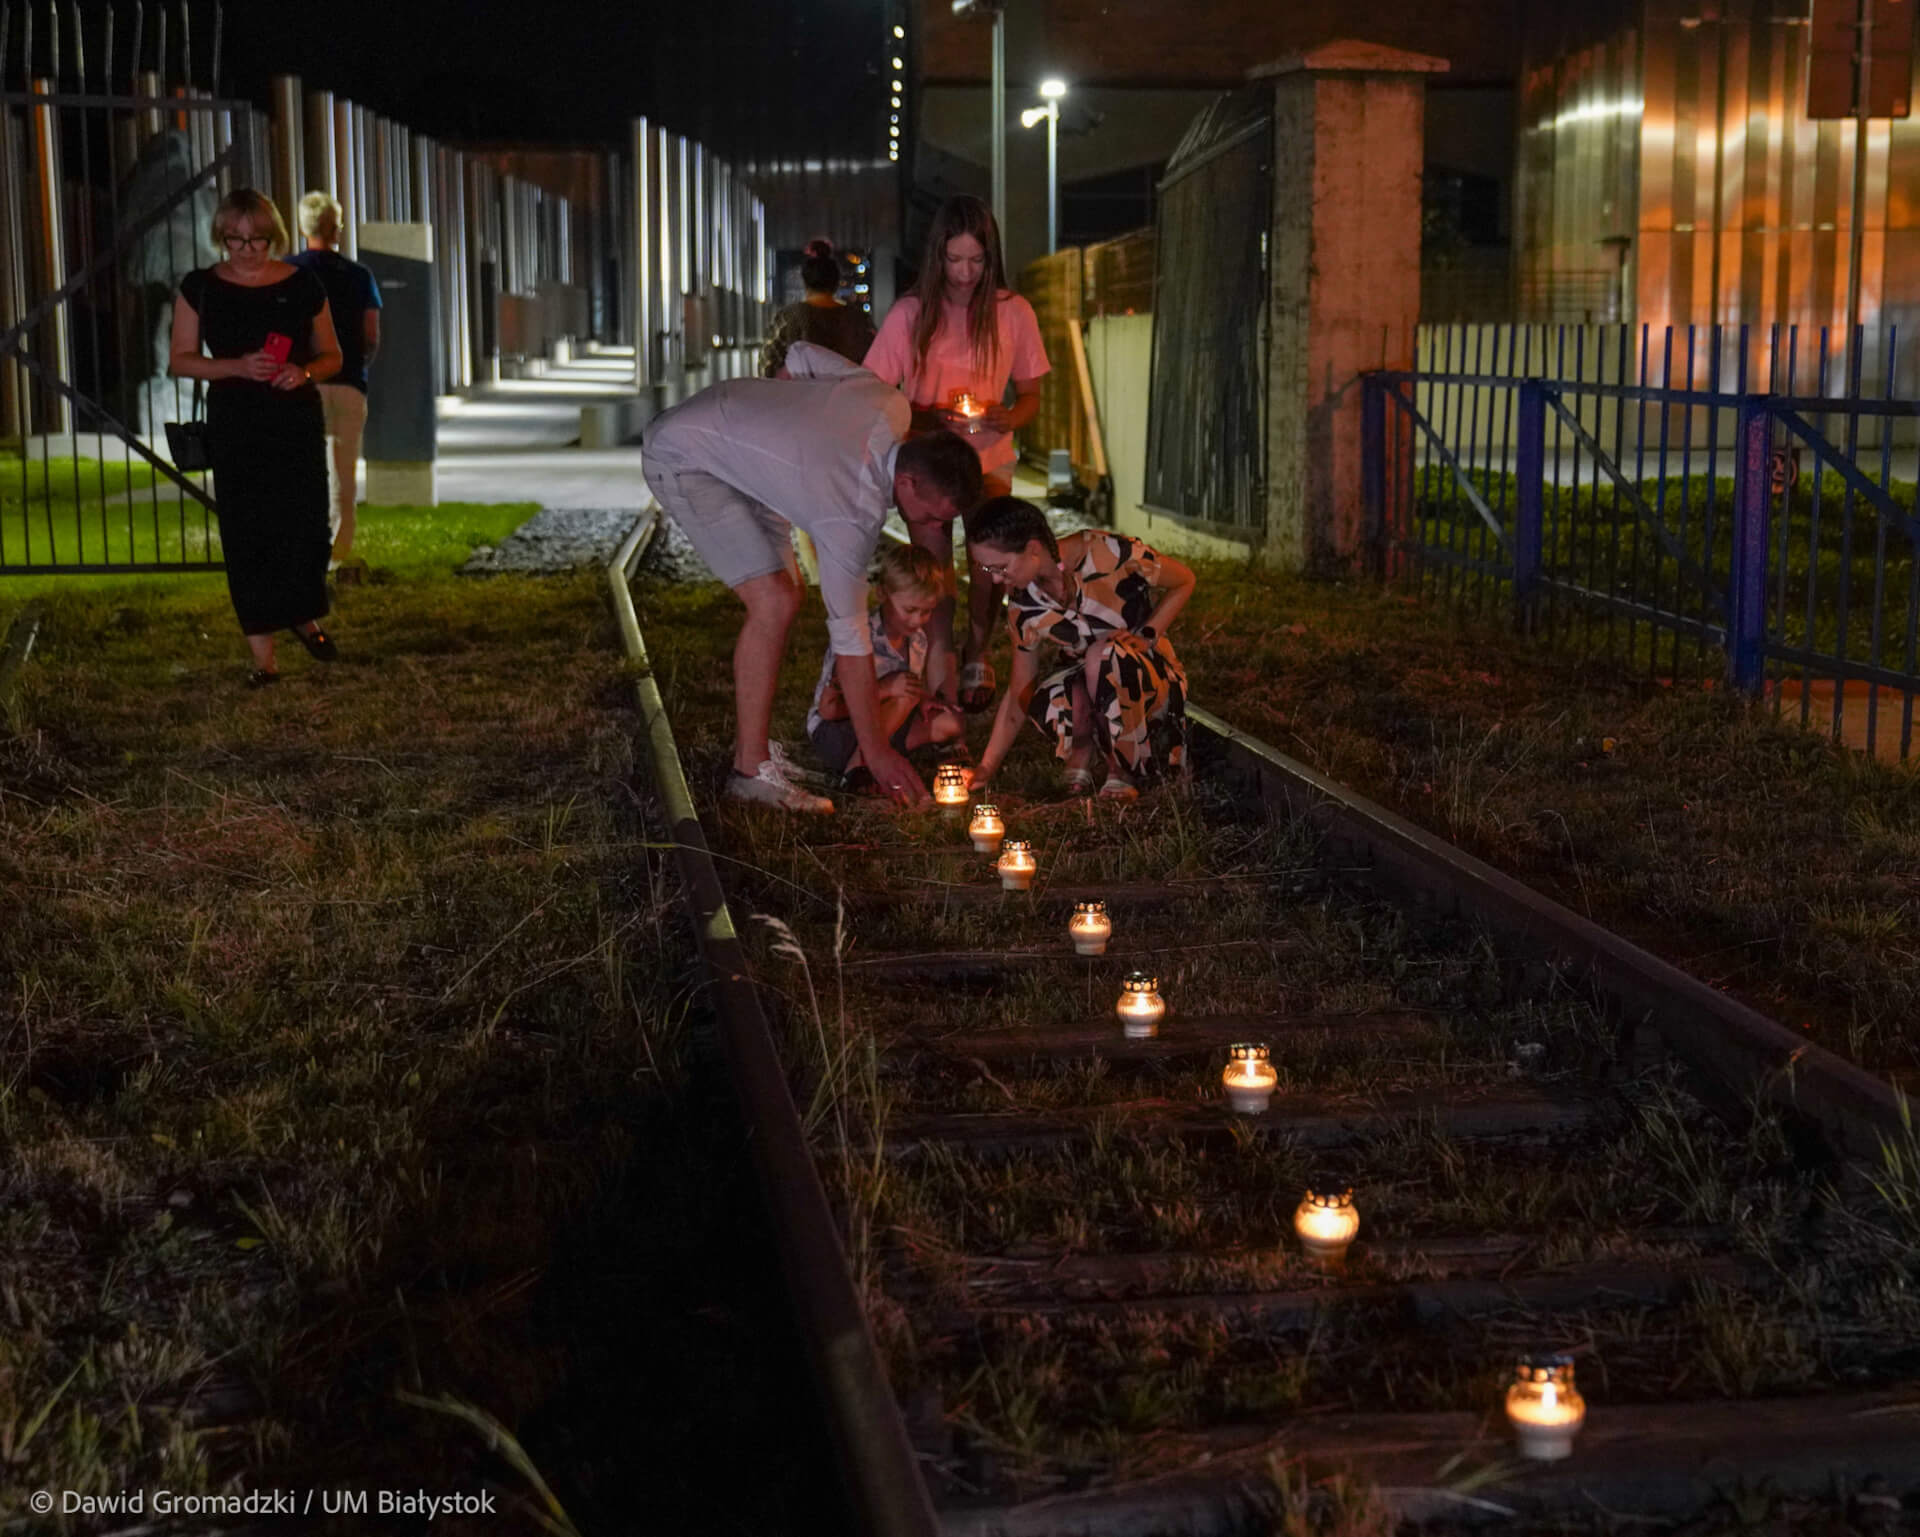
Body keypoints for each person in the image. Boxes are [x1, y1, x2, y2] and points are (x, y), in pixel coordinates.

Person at [641, 341, 983, 812]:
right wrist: (877, 753)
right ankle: (749, 773)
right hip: (684, 456)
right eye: (931, 516)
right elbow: (851, 642)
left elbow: (800, 355)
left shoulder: (890, 404)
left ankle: (755, 753)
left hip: (728, 429)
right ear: (907, 483)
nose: (930, 528)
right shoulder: (850, 515)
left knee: (787, 596)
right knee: (773, 601)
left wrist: (780, 436)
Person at [864, 196, 1050, 713]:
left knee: (990, 567)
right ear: (937, 256)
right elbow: (873, 392)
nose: (965, 274)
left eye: (976, 260)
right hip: (929, 467)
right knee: (936, 572)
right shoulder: (910, 314)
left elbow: (1031, 395)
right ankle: (942, 664)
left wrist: (1009, 417)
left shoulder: (1014, 312)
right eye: (954, 260)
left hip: (989, 461)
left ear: (992, 257)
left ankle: (978, 652)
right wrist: (926, 419)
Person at [170, 188, 343, 687]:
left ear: (275, 237)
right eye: (235, 239)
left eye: (258, 239)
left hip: (294, 420)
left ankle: (303, 616)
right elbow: (181, 359)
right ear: (220, 237)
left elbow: (332, 355)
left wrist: (303, 372)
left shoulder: (303, 283)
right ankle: (263, 658)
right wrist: (238, 367)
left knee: (305, 526)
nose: (246, 250)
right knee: (248, 533)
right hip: (237, 422)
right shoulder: (201, 287)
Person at [966, 498, 1195, 802]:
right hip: (1090, 684)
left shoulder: (1109, 553)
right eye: (988, 569)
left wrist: (1148, 635)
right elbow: (1020, 687)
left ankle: (1122, 769)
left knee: (1102, 655)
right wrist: (987, 766)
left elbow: (1184, 580)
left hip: (1147, 682)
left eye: (1001, 567)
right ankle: (1082, 747)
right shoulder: (1024, 603)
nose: (996, 579)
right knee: (1045, 693)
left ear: (1033, 549)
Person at [806, 542, 964, 788]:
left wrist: (923, 699)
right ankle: (858, 767)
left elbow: (904, 690)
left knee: (950, 722)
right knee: (906, 695)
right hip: (835, 733)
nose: (917, 620)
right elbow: (829, 710)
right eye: (910, 609)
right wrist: (886, 689)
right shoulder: (858, 638)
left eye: (926, 611)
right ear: (882, 594)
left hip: (882, 726)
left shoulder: (918, 640)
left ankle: (881, 753)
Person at [287, 190, 382, 566]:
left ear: (303, 228)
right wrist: (358, 363)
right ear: (336, 229)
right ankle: (337, 557)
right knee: (343, 476)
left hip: (300, 384)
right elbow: (371, 335)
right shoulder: (359, 276)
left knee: (301, 472)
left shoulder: (287, 273)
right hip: (347, 383)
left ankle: (303, 551)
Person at [761, 238, 875, 377]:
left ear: (805, 281)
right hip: (849, 390)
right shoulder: (858, 319)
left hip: (800, 390)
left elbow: (768, 366)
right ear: (835, 283)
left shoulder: (788, 317)